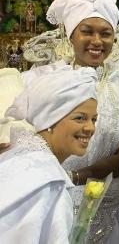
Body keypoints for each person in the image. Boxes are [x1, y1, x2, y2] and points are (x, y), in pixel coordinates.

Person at [19, 0, 119, 242]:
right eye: (87, 31)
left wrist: (73, 178)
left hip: (106, 212)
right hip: (47, 199)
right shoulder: (42, 80)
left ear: (114, 39)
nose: (97, 40)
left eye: (105, 33)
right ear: (71, 35)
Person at [0, 67, 97, 243]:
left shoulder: (20, 158)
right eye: (80, 118)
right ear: (51, 119)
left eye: (94, 119)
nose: (90, 128)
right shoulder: (47, 183)